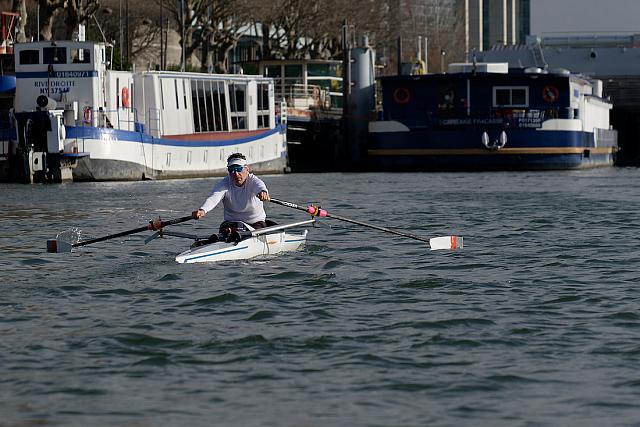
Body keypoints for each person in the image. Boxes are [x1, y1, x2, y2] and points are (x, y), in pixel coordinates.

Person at [192, 153, 271, 235]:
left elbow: (261, 187)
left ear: (247, 169)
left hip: (256, 224)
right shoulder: (224, 183)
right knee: (228, 230)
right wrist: (202, 210)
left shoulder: (254, 181)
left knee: (239, 232)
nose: (236, 174)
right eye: (231, 170)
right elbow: (213, 199)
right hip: (232, 223)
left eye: (239, 169)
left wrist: (263, 193)